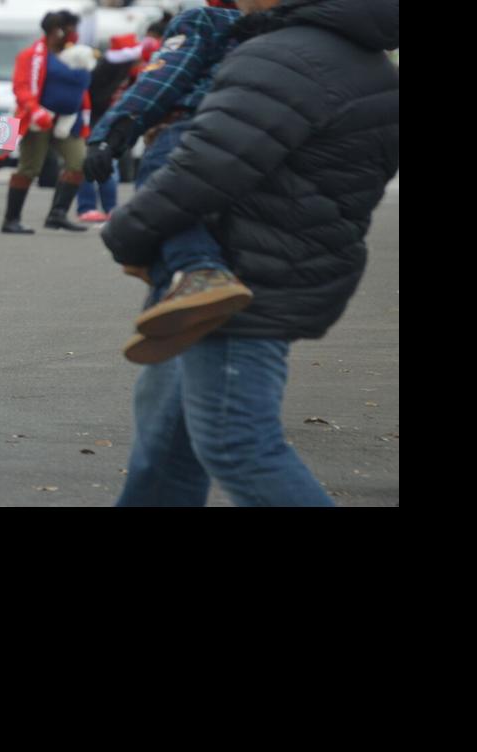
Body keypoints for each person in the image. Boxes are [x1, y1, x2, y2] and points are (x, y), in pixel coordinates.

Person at [101, 0, 399, 506]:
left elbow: (205, 167)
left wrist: (126, 232)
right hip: (270, 266)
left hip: (236, 279)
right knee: (168, 447)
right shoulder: (362, 60)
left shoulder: (285, 56)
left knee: (238, 446)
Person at [85, 0, 249, 361]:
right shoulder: (290, 32)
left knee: (160, 201)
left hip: (192, 126)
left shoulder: (205, 19)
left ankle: (196, 271)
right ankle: (177, 283)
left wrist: (109, 136)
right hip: (258, 145)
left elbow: (162, 79)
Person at [1, 10, 90, 234]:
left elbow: (80, 89)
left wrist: (85, 116)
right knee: (29, 168)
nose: (75, 34)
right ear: (57, 30)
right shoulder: (31, 55)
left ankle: (57, 215)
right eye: (71, 29)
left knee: (79, 163)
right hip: (37, 119)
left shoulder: (78, 55)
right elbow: (20, 87)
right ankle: (11, 219)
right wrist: (35, 110)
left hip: (69, 121)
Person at [74, 32, 146, 223]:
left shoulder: (134, 75)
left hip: (115, 126)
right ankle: (87, 207)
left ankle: (110, 208)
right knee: (90, 163)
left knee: (110, 167)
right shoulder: (102, 75)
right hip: (94, 123)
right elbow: (92, 100)